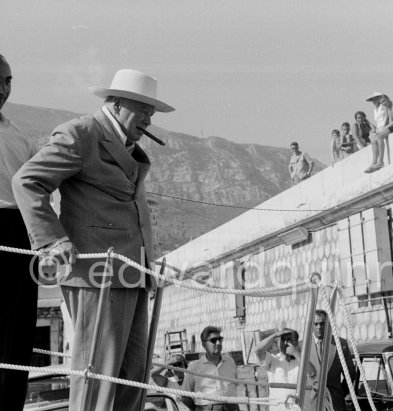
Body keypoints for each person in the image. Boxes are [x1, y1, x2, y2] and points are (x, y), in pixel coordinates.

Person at [12, 68, 175, 411]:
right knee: (97, 379)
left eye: (152, 112)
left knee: (133, 377)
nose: (148, 118)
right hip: (96, 277)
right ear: (115, 104)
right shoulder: (81, 134)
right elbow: (27, 182)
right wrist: (53, 241)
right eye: (143, 108)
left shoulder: (127, 145)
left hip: (133, 274)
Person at [0, 53, 39, 411]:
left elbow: (35, 192)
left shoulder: (19, 137)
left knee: (20, 327)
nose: (2, 89)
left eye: (8, 81)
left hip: (18, 230)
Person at [256, 328, 317, 411]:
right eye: (283, 340)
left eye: (289, 340)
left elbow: (312, 373)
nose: (285, 343)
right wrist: (275, 335)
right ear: (278, 342)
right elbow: (258, 350)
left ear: (296, 342)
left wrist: (296, 353)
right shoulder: (273, 359)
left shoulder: (302, 360)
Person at [182, 326, 238, 411]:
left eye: (220, 339)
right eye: (213, 340)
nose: (218, 343)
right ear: (204, 345)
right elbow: (185, 396)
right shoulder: (194, 367)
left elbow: (235, 385)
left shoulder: (230, 362)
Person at [310, 310, 356, 411]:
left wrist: (339, 393)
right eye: (315, 324)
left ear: (328, 324)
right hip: (310, 403)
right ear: (311, 325)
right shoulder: (303, 347)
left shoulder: (341, 344)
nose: (319, 327)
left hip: (335, 402)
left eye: (322, 323)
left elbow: (351, 374)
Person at [365, 92, 389, 172]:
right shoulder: (375, 110)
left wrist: (384, 127)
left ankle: (381, 160)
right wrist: (378, 130)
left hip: (386, 127)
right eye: (372, 100)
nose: (374, 101)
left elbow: (387, 116)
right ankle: (374, 162)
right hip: (379, 129)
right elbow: (377, 122)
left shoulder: (383, 106)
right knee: (373, 140)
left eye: (375, 99)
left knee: (379, 138)